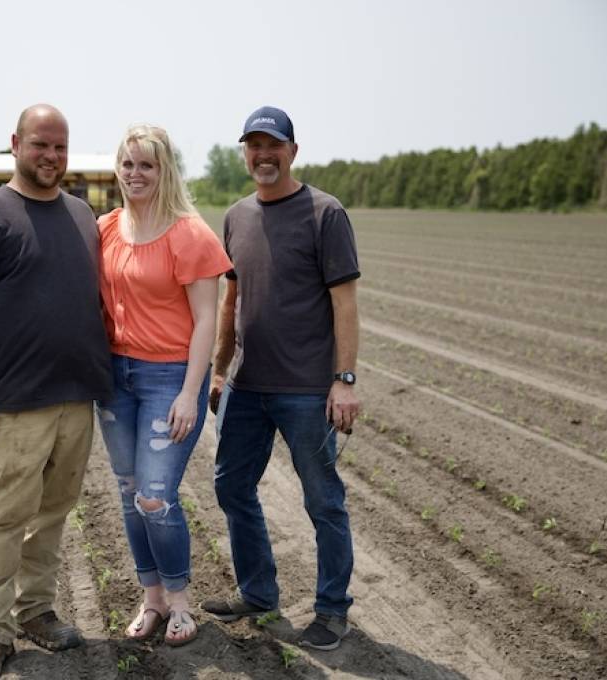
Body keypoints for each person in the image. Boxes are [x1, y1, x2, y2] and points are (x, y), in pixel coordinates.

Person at [0, 103, 113, 680]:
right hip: (14, 402)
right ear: (16, 143)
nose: (52, 157)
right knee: (3, 517)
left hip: (76, 399)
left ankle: (36, 611)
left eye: (61, 148)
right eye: (41, 145)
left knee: (54, 514)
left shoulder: (83, 216)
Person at [201, 106, 361, 651]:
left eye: (273, 145)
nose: (263, 155)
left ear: (292, 150)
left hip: (306, 390)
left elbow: (345, 304)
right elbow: (232, 301)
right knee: (231, 486)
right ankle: (259, 592)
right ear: (244, 152)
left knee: (323, 501)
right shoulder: (236, 216)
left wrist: (344, 379)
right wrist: (219, 372)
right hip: (246, 387)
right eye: (253, 145)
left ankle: (333, 611)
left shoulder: (325, 213)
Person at [95, 124, 232, 647]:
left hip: (168, 379)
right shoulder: (106, 227)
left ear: (165, 170)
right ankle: (150, 599)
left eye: (146, 165)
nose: (135, 174)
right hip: (116, 379)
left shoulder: (189, 234)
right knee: (130, 493)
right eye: (128, 164)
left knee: (156, 497)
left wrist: (189, 393)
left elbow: (206, 322)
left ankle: (180, 605)